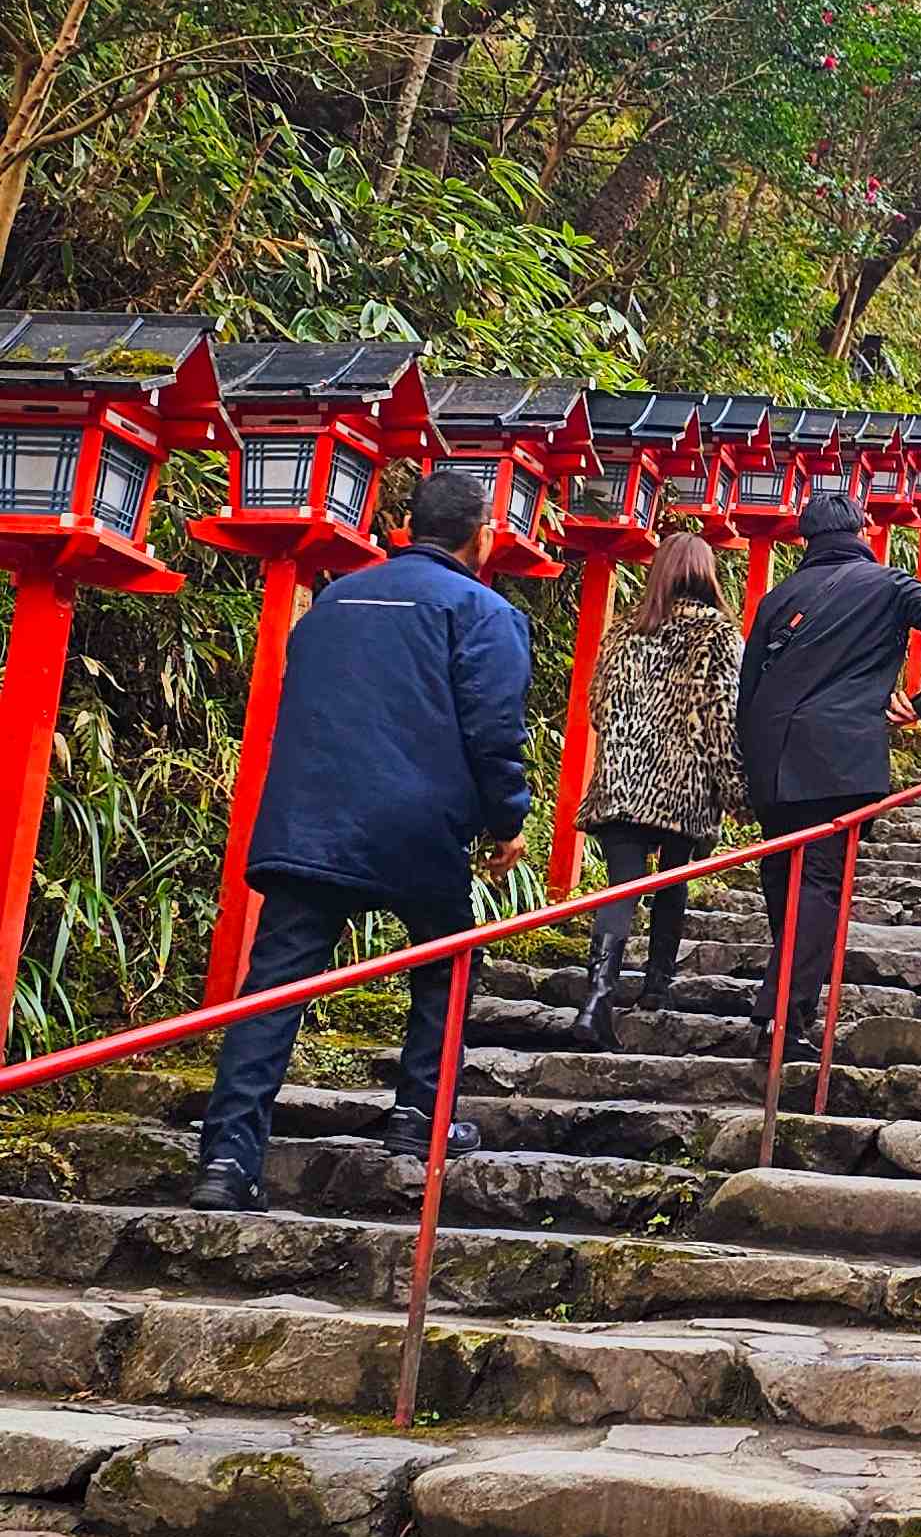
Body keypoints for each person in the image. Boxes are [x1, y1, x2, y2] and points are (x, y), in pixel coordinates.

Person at [194, 463, 532, 1211]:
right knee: (445, 959)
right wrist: (507, 821)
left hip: (310, 818)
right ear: (482, 537)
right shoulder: (482, 613)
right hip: (415, 824)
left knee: (274, 989)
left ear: (406, 530)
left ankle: (226, 1156)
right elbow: (494, 730)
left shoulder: (333, 602)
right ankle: (420, 1117)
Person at [736, 481, 921, 1053]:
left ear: (806, 538)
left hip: (771, 754)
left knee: (783, 882)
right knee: (819, 884)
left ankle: (783, 1008)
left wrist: (748, 764)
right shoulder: (888, 585)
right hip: (838, 759)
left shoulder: (778, 596)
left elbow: (748, 689)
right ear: (864, 532)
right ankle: (783, 1018)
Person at [570, 532, 743, 1050]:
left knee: (620, 887)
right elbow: (720, 720)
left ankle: (596, 999)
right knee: (673, 880)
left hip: (622, 781)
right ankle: (656, 987)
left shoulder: (625, 630)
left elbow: (600, 706)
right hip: (683, 786)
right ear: (706, 574)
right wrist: (736, 791)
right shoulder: (719, 636)